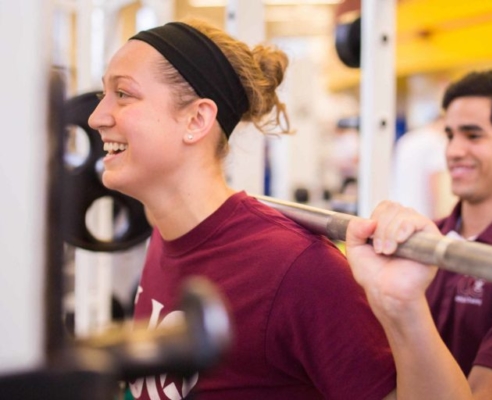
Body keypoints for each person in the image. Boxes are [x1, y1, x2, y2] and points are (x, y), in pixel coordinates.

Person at [88, 17, 395, 400]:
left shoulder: (300, 269)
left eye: (123, 94)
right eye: (103, 93)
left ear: (196, 119)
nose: (96, 117)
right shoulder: (165, 235)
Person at [346, 70, 492, 400]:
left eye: (473, 136)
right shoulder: (425, 241)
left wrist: (403, 307)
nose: (453, 151)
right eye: (450, 135)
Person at [390, 115, 457, 219]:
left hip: (398, 210)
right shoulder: (437, 141)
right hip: (421, 214)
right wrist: (440, 219)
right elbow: (435, 184)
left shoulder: (408, 138)